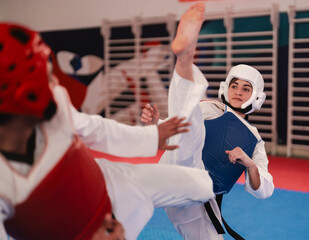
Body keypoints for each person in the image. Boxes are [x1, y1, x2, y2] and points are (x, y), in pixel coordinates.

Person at [0, 22, 215, 240]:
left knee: (203, 185)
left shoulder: (56, 102)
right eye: (47, 78)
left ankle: (184, 64)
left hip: (109, 181)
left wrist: (152, 137)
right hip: (79, 228)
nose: (55, 82)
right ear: (24, 95)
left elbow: (98, 130)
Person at [141, 2, 274, 239]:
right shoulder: (210, 108)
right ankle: (185, 56)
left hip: (198, 197)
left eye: (246, 89)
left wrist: (250, 165)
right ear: (226, 87)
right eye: (234, 85)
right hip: (175, 176)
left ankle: (185, 58)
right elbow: (169, 137)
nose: (238, 92)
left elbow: (264, 190)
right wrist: (155, 125)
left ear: (256, 97)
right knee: (190, 117)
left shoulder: (254, 141)